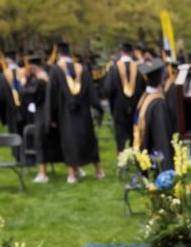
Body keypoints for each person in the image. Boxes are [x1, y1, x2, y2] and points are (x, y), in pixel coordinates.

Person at [52, 53, 99, 183]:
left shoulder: (56, 70)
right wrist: (98, 109)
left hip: (66, 115)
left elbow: (52, 94)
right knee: (89, 140)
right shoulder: (82, 69)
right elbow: (92, 93)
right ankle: (99, 172)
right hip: (84, 114)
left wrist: (51, 116)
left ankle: (72, 174)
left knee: (70, 141)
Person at [133, 57, 177, 173]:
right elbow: (162, 137)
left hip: (147, 151)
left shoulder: (145, 97)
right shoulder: (158, 105)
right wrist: (168, 169)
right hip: (157, 158)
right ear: (161, 79)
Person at [102, 41, 141, 154]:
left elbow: (108, 89)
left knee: (120, 134)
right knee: (135, 131)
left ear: (121, 52)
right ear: (132, 52)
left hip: (119, 108)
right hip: (136, 106)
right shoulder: (138, 68)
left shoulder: (113, 68)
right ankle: (136, 156)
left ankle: (122, 157)